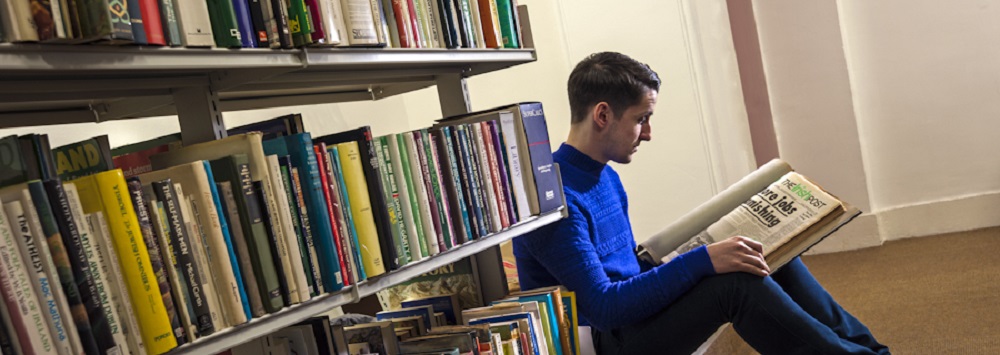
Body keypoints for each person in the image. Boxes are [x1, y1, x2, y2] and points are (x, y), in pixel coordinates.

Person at [512, 52, 889, 355]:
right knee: (735, 284)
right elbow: (606, 308)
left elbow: (624, 270)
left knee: (757, 253)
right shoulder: (555, 201)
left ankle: (870, 350)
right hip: (607, 339)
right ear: (603, 115)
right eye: (641, 119)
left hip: (630, 318)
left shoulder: (604, 174)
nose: (648, 133)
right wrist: (702, 260)